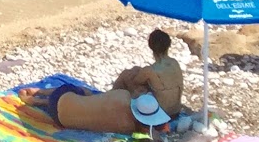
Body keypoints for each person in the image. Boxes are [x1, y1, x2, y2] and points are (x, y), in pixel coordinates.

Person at [18, 31, 182, 133]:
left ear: (151, 47)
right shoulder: (175, 64)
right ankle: (39, 99)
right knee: (80, 98)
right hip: (173, 110)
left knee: (121, 77)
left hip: (63, 101)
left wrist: (135, 74)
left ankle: (40, 95)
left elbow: (137, 80)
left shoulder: (138, 82)